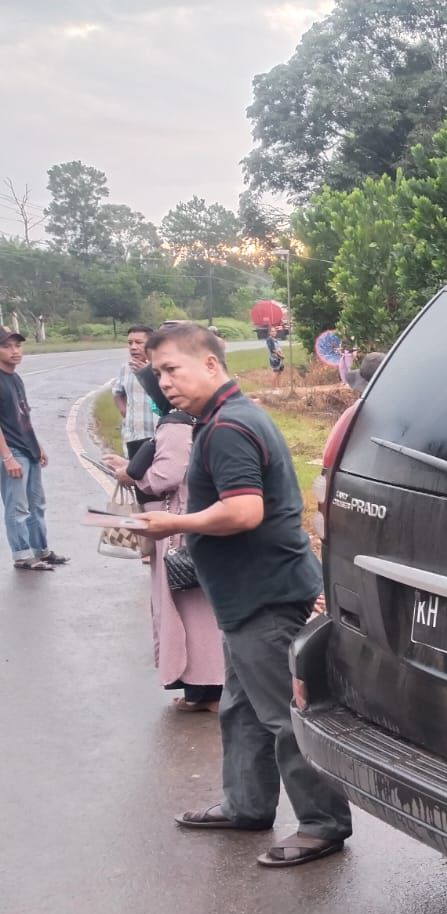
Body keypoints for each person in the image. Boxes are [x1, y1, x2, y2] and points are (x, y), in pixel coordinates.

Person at [136, 323, 351, 868]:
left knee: (284, 715)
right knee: (240, 709)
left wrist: (172, 522)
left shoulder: (229, 426)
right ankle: (247, 804)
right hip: (242, 598)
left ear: (211, 364)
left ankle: (324, 823)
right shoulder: (220, 419)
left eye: (171, 369)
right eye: (157, 372)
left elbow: (244, 511)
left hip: (266, 597)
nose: (163, 382)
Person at [102, 391, 226, 712]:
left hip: (175, 530)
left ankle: (208, 691)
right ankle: (203, 690)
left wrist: (130, 474)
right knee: (200, 609)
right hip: (195, 523)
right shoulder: (205, 418)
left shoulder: (175, 424)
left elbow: (166, 476)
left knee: (188, 611)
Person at [0, 326, 68, 571]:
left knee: (37, 504)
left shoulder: (15, 378)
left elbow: (23, 416)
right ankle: (22, 555)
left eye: (17, 345)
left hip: (28, 449)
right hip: (12, 453)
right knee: (17, 507)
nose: (14, 351)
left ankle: (41, 550)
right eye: (6, 346)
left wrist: (37, 446)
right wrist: (7, 457)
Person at [113, 325, 159, 463]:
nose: (133, 347)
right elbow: (117, 392)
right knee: (133, 477)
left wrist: (149, 372)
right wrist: (124, 412)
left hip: (156, 436)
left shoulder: (161, 367)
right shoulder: (126, 368)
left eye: (139, 343)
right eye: (130, 343)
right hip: (132, 436)